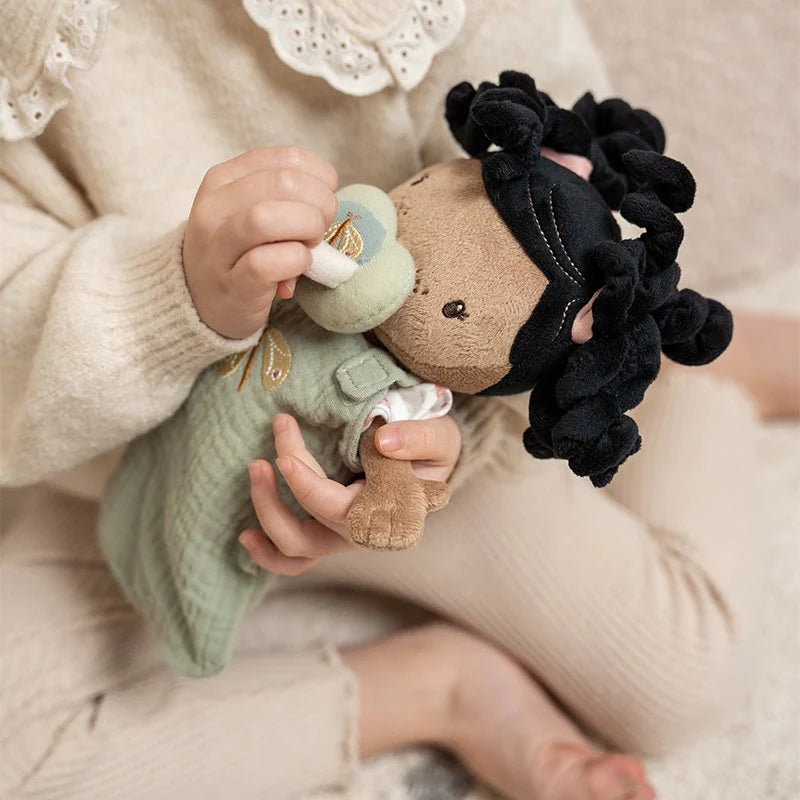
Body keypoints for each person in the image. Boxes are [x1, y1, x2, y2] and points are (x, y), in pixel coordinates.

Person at [1, 1, 798, 798]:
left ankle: (692, 373)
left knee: (678, 681)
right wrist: (170, 297)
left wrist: (447, 439)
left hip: (420, 434)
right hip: (133, 467)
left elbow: (562, 187)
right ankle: (444, 690)